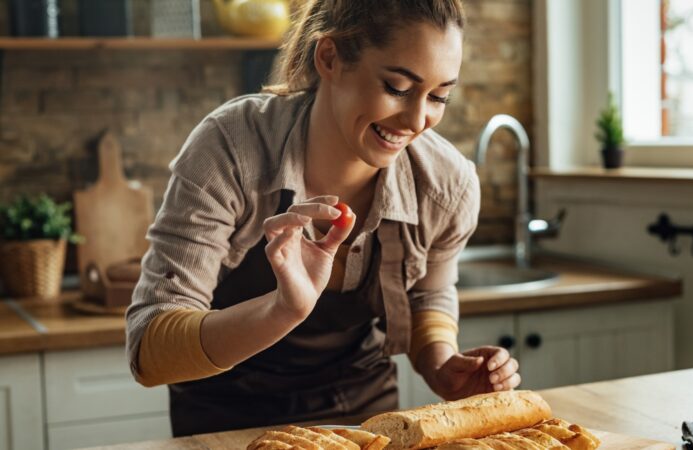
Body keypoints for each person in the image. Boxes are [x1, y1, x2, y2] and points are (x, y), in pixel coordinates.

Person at [125, 0, 521, 437]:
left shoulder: (446, 184)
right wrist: (282, 310)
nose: (416, 120)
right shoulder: (230, 149)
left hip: (363, 419)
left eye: (439, 96)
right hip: (224, 422)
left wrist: (442, 363)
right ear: (329, 57)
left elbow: (428, 295)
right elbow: (150, 348)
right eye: (397, 87)